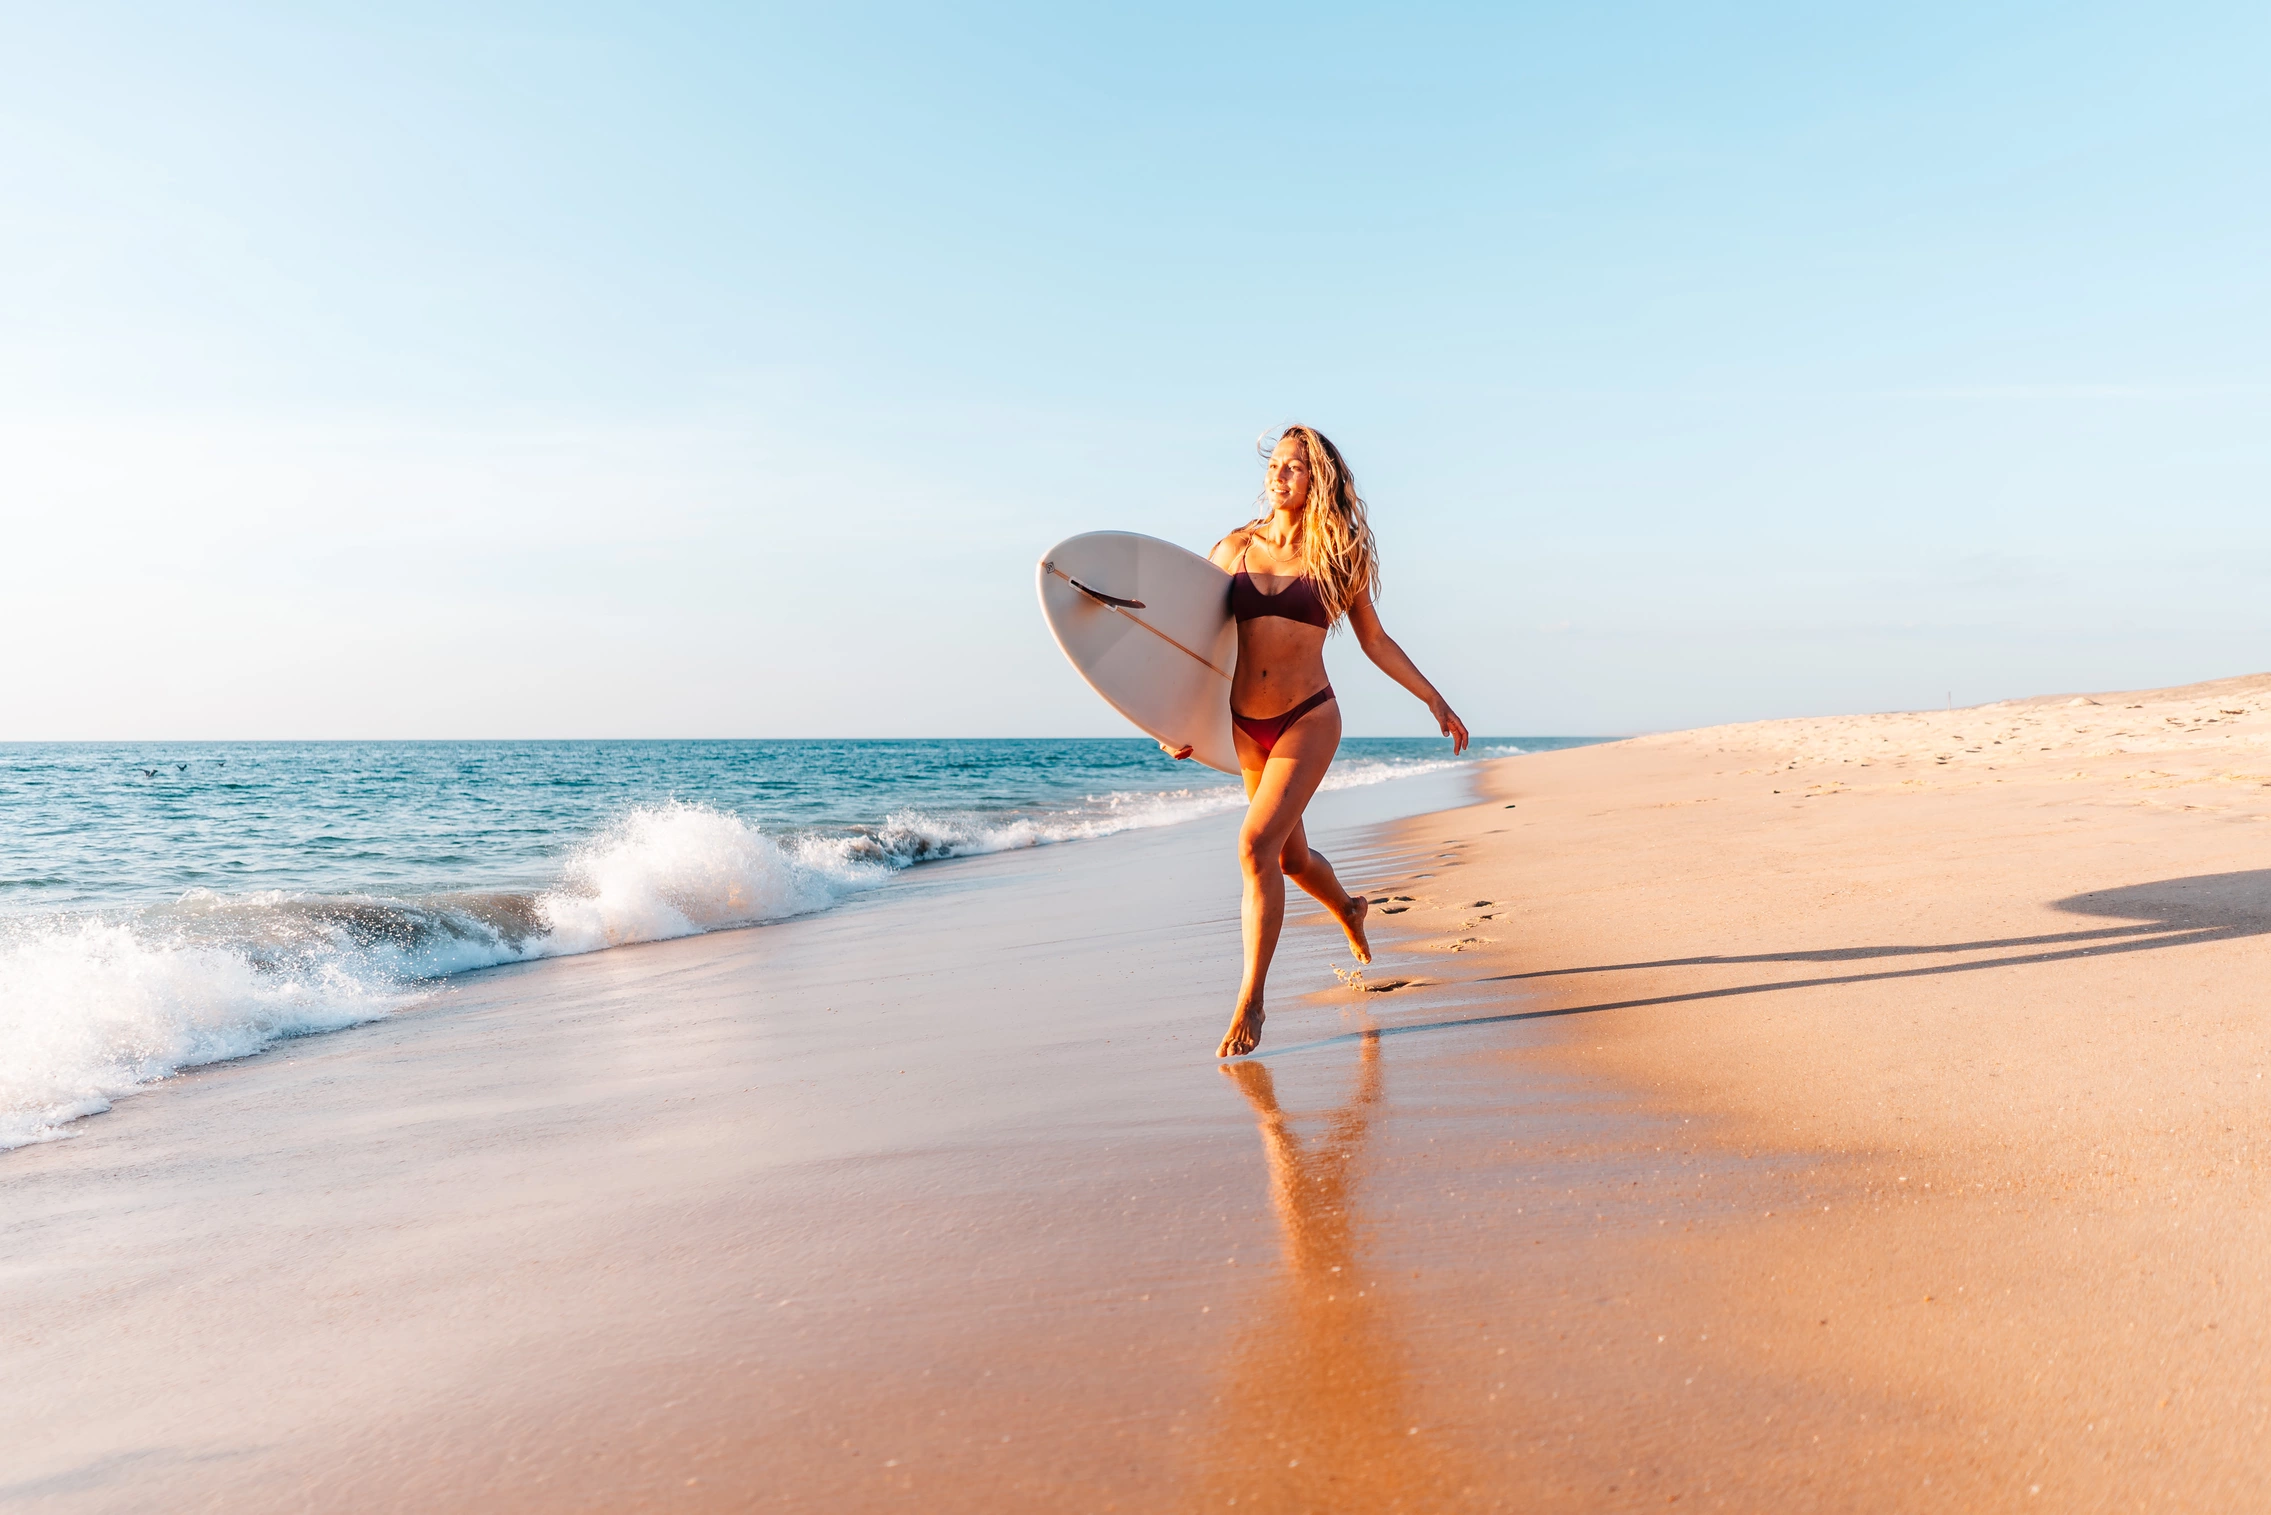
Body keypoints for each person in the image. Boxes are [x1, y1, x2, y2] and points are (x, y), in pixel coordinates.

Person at [1164, 426, 1468, 1056]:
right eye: (1275, 465)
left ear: (1317, 479)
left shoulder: (1337, 552)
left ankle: (1252, 1000)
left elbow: (1375, 640)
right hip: (1245, 723)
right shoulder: (1233, 548)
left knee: (1253, 847)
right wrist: (1177, 723)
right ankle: (1350, 909)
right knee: (1289, 859)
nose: (1280, 476)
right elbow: (1192, 644)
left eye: (1295, 468)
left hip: (1309, 716)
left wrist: (1433, 698)